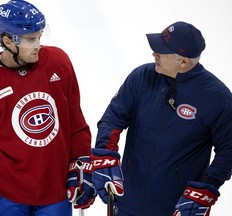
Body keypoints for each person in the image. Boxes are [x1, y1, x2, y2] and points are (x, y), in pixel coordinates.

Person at [0, 1, 96, 215]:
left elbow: (75, 121)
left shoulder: (59, 62)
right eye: (30, 39)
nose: (38, 44)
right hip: (5, 195)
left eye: (39, 36)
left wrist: (80, 163)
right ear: (8, 41)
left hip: (55, 191)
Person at [91, 21, 232, 216]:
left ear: (183, 62)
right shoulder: (141, 76)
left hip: (176, 209)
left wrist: (206, 187)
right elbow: (113, 118)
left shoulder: (218, 98)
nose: (153, 54)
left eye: (161, 51)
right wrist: (105, 154)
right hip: (126, 202)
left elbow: (229, 150)